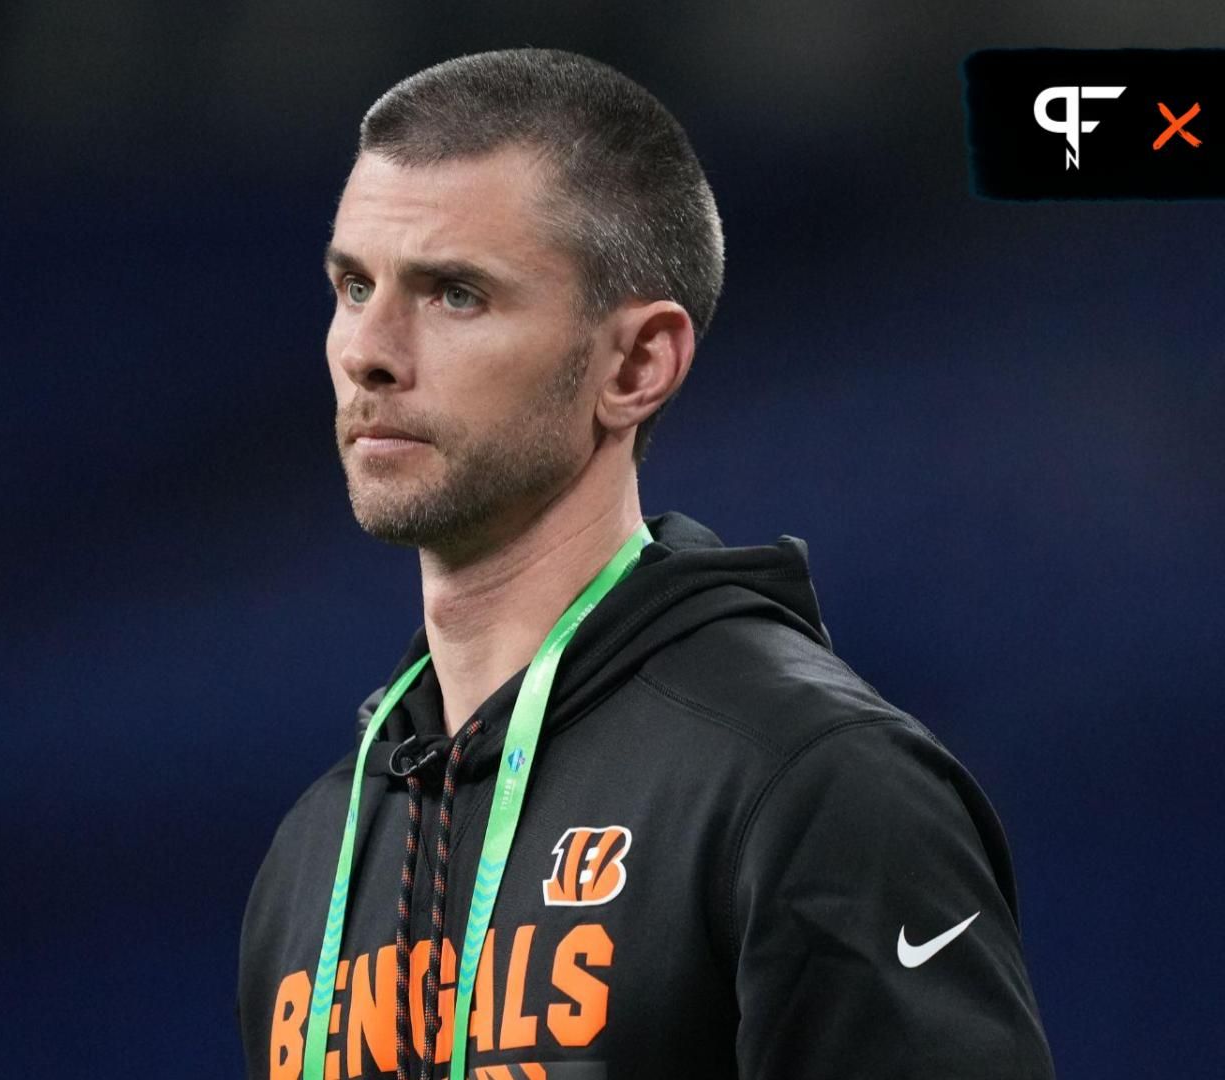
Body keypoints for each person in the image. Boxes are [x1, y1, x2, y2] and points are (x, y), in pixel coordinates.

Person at [238, 48, 1056, 1080]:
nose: (369, 349)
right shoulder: (319, 851)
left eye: (454, 294)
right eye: (354, 285)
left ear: (636, 365)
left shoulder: (807, 783)